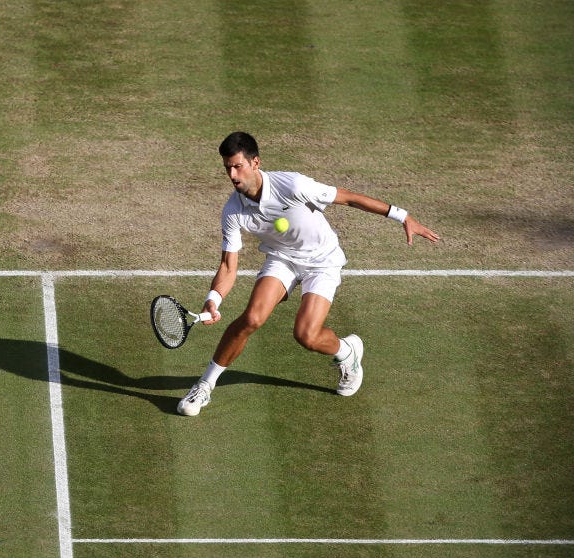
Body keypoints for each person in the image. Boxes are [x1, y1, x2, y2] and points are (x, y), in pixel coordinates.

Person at [177, 131, 440, 416]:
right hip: (282, 259)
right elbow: (229, 265)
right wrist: (213, 298)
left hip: (322, 260)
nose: (232, 174)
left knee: (306, 335)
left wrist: (403, 216)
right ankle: (204, 386)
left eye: (237, 166)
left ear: (255, 163)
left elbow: (348, 198)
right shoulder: (233, 211)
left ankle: (347, 352)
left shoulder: (293, 184)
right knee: (251, 318)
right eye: (227, 167)